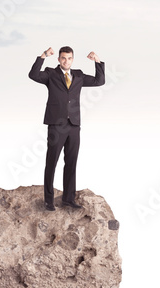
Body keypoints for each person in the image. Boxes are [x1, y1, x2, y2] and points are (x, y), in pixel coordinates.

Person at [29, 46, 105, 211]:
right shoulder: (51, 74)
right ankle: (48, 201)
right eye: (63, 58)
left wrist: (97, 62)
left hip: (74, 125)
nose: (66, 61)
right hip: (56, 125)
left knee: (71, 163)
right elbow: (33, 75)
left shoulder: (78, 75)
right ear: (58, 59)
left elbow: (100, 81)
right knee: (52, 162)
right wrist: (43, 56)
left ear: (72, 59)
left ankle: (68, 199)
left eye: (69, 58)